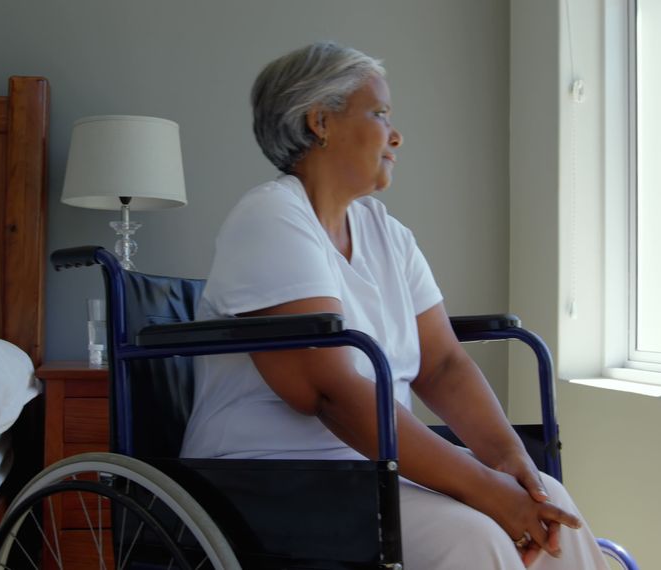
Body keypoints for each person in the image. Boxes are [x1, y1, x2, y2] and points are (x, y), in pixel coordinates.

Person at [180, 41, 607, 569]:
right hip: (272, 478)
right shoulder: (269, 218)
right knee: (474, 538)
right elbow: (329, 392)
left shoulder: (386, 233)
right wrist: (484, 489)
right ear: (320, 121)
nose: (396, 135)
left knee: (550, 503)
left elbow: (445, 365)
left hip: (376, 471)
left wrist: (509, 461)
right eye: (380, 114)